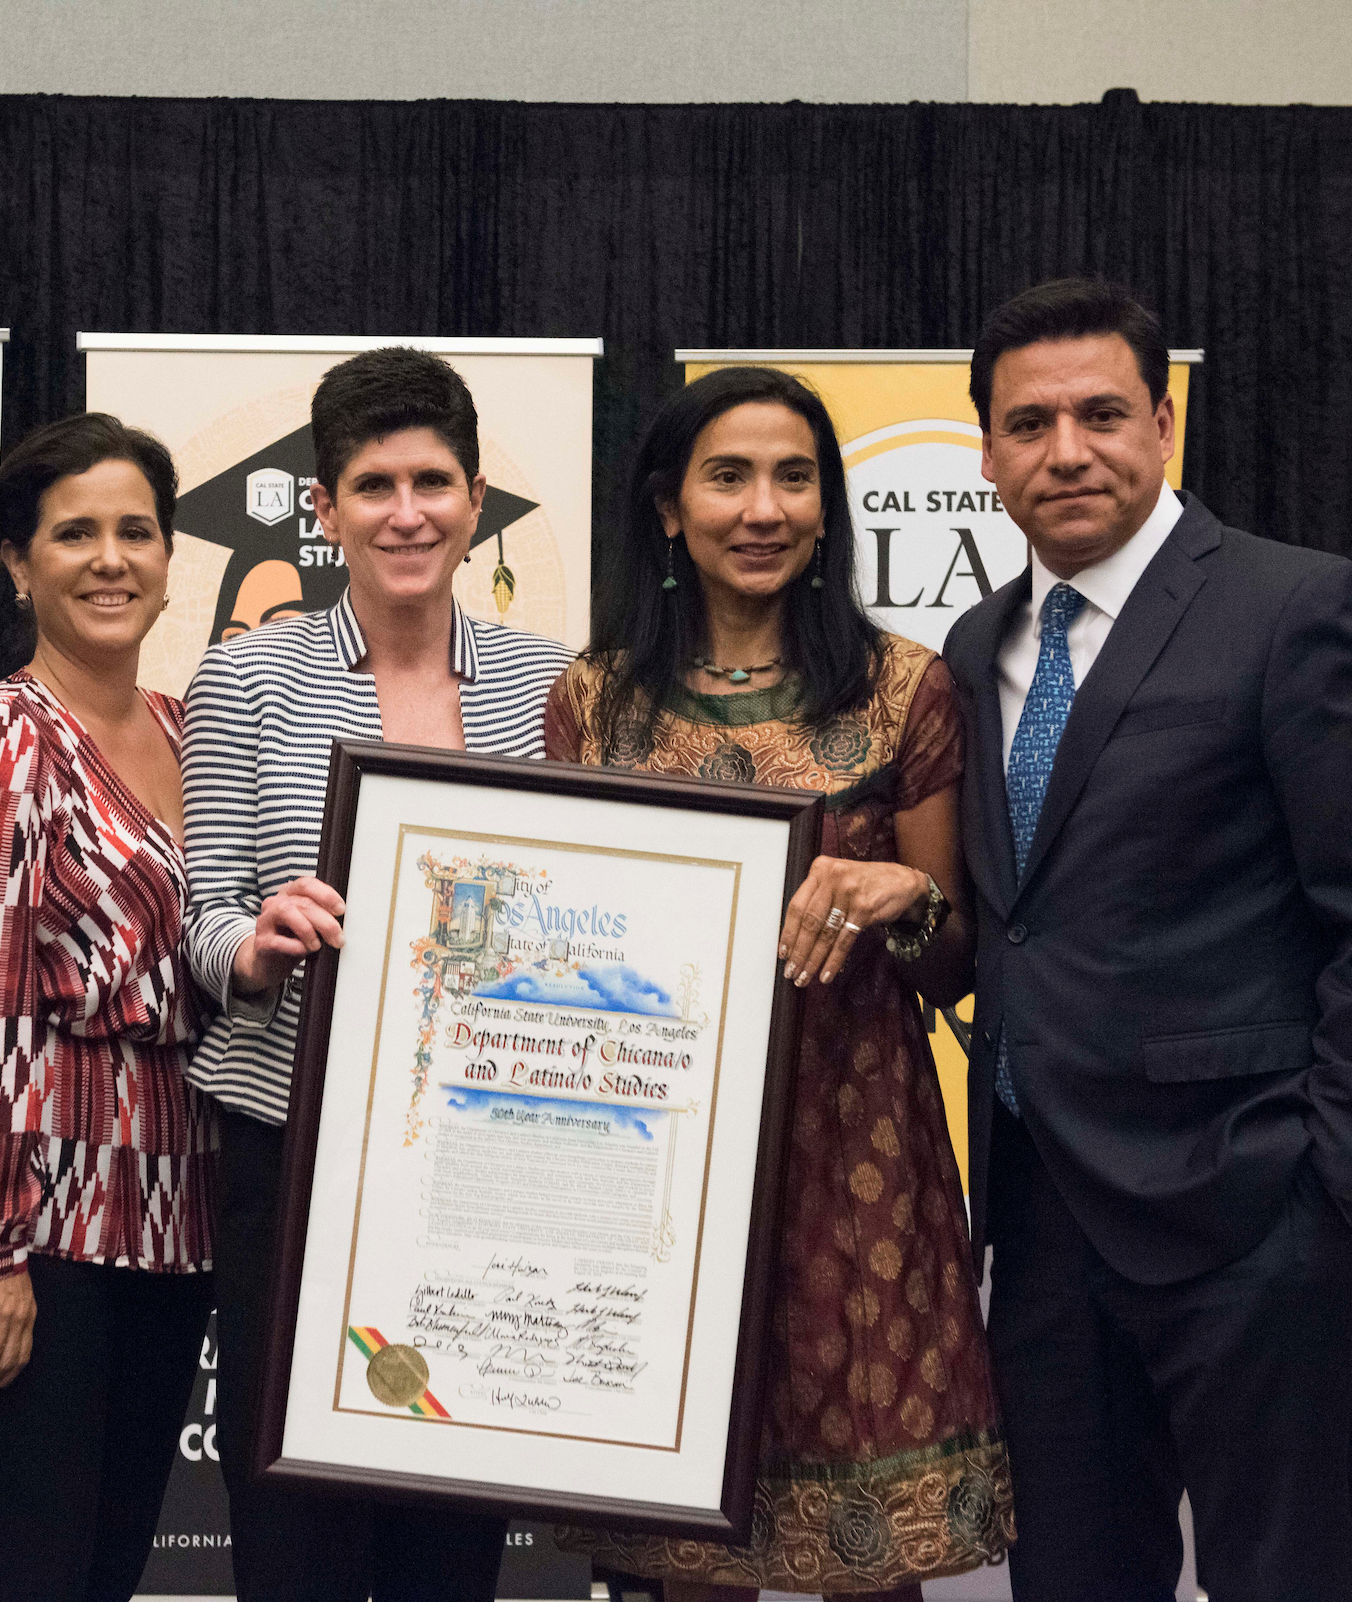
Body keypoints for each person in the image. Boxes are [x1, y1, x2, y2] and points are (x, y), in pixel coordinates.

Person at [943, 277, 1352, 1600]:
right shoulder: (971, 643)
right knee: (1070, 1577)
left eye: (1103, 412)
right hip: (1045, 1223)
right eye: (1030, 423)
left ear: (1166, 424)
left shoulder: (1295, 608)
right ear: (988, 452)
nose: (1068, 450)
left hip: (1250, 1216)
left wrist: (1334, 1179)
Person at [546, 366, 1013, 1600]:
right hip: (667, 1164)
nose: (764, 508)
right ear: (666, 508)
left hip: (860, 1150)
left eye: (794, 478)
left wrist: (902, 899)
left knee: (875, 1557)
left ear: (827, 507)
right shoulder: (595, 702)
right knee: (695, 1533)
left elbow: (958, 957)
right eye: (729, 476)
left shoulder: (905, 688)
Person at [181, 347, 574, 1601]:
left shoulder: (553, 681)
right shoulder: (245, 677)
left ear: (473, 502)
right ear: (328, 505)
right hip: (290, 1154)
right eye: (372, 485)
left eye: (433, 482)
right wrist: (255, 941)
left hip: (482, 1167)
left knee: (448, 1535)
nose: (406, 512)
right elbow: (201, 915)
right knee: (291, 1529)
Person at [0, 413, 217, 1601]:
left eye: (137, 530)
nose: (112, 558)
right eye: (74, 533)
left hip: (166, 1222)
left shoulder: (187, 729)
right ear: (19, 564)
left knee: (105, 1575)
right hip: (34, 1241)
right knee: (26, 1578)